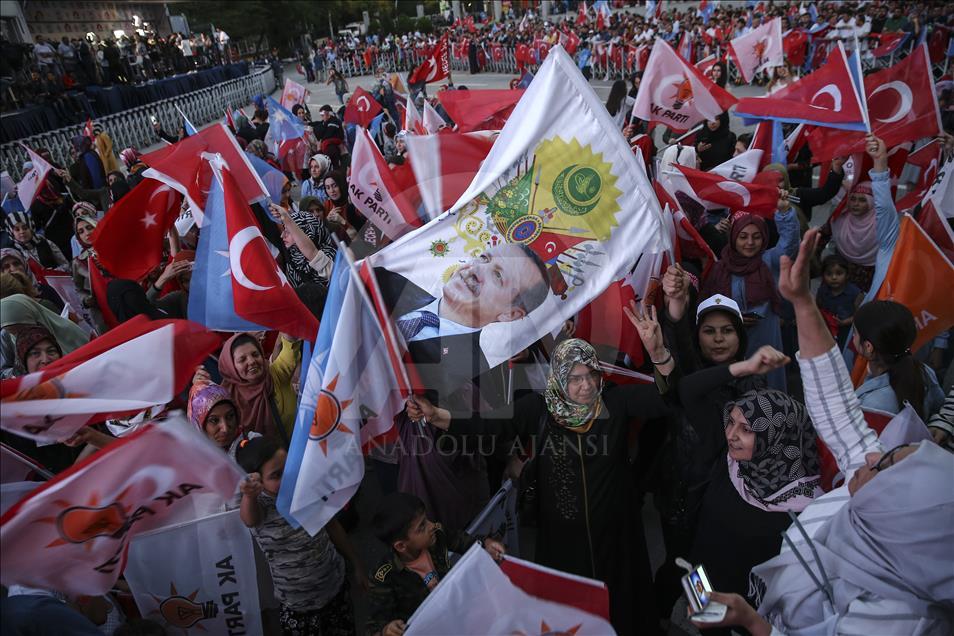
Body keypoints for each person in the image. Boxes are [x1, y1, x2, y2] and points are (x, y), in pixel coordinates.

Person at [690, 228, 954, 636]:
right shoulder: (870, 485)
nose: (870, 455)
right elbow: (838, 409)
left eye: (884, 465)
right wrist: (802, 302)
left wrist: (751, 622)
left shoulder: (895, 619)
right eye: (888, 452)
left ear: (897, 522)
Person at [406, 337, 672, 634]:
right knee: (570, 613)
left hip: (616, 538)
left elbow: (666, 398)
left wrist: (659, 354)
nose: (586, 386)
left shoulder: (616, 402)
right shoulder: (540, 407)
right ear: (559, 378)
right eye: (575, 378)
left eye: (592, 375)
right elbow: (488, 425)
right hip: (563, 541)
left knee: (620, 610)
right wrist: (437, 416)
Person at [374, 242, 550, 397]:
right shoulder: (385, 281)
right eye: (484, 258)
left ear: (510, 314)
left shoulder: (470, 382)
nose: (475, 270)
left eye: (497, 275)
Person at [237, 436, 364, 636]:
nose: (288, 478)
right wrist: (249, 495)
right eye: (276, 475)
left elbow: (332, 526)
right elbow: (249, 519)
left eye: (289, 468)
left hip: (336, 588)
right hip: (299, 606)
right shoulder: (259, 505)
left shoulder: (307, 487)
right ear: (258, 481)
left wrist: (356, 563)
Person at [366, 492, 506, 636]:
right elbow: (374, 626)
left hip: (457, 614)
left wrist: (485, 544)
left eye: (426, 519)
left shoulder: (437, 534)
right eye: (421, 527)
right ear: (401, 546)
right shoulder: (384, 577)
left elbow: (463, 542)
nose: (432, 525)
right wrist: (386, 630)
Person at [700, 195, 799, 391]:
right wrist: (733, 317)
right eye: (743, 236)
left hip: (765, 336)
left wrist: (785, 212)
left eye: (757, 236)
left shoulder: (769, 260)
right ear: (733, 237)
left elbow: (790, 244)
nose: (750, 242)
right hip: (730, 338)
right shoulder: (720, 268)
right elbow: (708, 303)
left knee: (768, 385)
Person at [196, 332, 300, 443]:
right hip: (259, 454)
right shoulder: (224, 397)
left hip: (300, 448)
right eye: (242, 359)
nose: (251, 361)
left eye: (255, 354)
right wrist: (199, 390)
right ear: (231, 366)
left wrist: (290, 334)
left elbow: (290, 349)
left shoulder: (276, 374)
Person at [852, 300, 945, 419]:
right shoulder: (924, 371)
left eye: (855, 333)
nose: (853, 336)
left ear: (868, 347)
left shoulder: (874, 405)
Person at [0, 294, 88, 378]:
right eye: (12, 332)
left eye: (22, 328)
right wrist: (19, 371)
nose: (20, 335)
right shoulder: (6, 337)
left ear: (35, 318)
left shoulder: (69, 331)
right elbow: (4, 370)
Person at [189, 382, 259, 459]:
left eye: (230, 416)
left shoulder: (253, 443)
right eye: (214, 420)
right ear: (199, 425)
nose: (225, 429)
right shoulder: (196, 460)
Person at [815, 254, 862, 349]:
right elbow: (817, 308)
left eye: (839, 273)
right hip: (827, 330)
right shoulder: (822, 291)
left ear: (847, 274)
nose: (834, 277)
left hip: (848, 332)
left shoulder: (855, 293)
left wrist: (846, 322)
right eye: (829, 274)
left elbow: (860, 315)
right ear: (823, 275)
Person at [4, 212, 69, 271]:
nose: (22, 232)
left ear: (31, 228)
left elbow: (66, 265)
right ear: (11, 233)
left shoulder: (46, 243)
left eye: (25, 228)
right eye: (17, 230)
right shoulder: (14, 253)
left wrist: (54, 272)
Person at [322, 170, 360, 243]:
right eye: (328, 187)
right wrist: (327, 221)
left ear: (341, 185)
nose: (332, 191)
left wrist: (342, 221)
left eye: (335, 186)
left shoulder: (353, 204)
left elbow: (360, 236)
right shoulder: (326, 205)